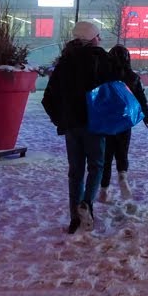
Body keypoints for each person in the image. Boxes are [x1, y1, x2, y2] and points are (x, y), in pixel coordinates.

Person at [42, 21, 114, 235]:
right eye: (98, 36)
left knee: (75, 172)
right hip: (95, 123)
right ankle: (87, 203)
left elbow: (48, 98)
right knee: (97, 166)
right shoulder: (102, 60)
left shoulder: (64, 62)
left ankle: (75, 217)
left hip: (71, 126)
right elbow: (113, 91)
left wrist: (60, 119)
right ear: (93, 38)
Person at [97, 45, 148, 203]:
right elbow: (141, 98)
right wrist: (147, 116)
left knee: (106, 157)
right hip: (124, 122)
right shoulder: (132, 77)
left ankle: (104, 190)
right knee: (122, 152)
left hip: (106, 123)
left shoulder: (102, 76)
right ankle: (122, 175)